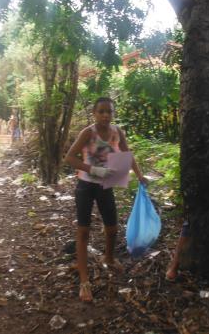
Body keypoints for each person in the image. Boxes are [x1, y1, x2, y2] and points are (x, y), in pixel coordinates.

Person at [65, 97, 148, 302]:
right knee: (83, 231)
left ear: (113, 113)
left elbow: (127, 153)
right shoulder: (88, 133)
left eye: (109, 111)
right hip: (85, 186)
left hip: (105, 186)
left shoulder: (117, 132)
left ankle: (109, 258)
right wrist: (93, 170)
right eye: (101, 111)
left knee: (112, 228)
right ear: (94, 113)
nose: (105, 115)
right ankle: (84, 281)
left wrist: (139, 175)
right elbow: (69, 157)